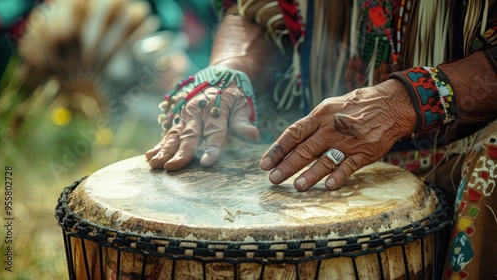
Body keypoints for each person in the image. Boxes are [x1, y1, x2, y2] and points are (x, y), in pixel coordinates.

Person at [145, 1, 496, 278]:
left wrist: (405, 101)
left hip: (461, 154)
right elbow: (253, 12)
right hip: (311, 144)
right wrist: (230, 71)